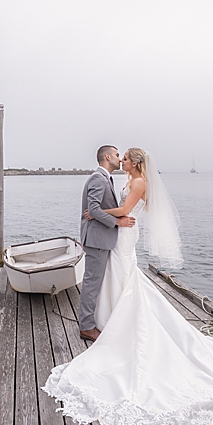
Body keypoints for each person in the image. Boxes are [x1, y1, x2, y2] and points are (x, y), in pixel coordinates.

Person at [43, 147, 213, 425]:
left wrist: (105, 215)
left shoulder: (138, 183)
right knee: (115, 279)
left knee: (123, 277)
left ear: (134, 162)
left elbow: (124, 212)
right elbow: (115, 209)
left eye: (124, 157)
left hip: (123, 236)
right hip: (117, 236)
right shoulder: (121, 180)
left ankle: (114, 321)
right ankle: (106, 319)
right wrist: (106, 216)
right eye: (117, 156)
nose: (121, 160)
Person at [77, 145, 136, 343]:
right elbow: (92, 209)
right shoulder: (98, 178)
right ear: (107, 156)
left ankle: (95, 320)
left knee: (96, 283)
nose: (120, 159)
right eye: (118, 155)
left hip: (101, 239)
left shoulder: (106, 179)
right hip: (96, 239)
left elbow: (98, 209)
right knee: (91, 283)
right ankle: (86, 327)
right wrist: (117, 221)